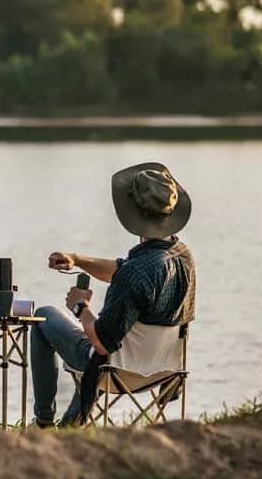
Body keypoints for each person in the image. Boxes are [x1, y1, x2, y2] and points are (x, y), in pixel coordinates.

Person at [31, 162, 197, 427]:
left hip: (116, 371)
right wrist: (77, 259)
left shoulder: (136, 273)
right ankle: (68, 428)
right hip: (162, 370)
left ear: (133, 214)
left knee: (44, 318)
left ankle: (43, 423)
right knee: (109, 344)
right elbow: (122, 272)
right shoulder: (182, 257)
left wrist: (80, 307)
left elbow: (101, 343)